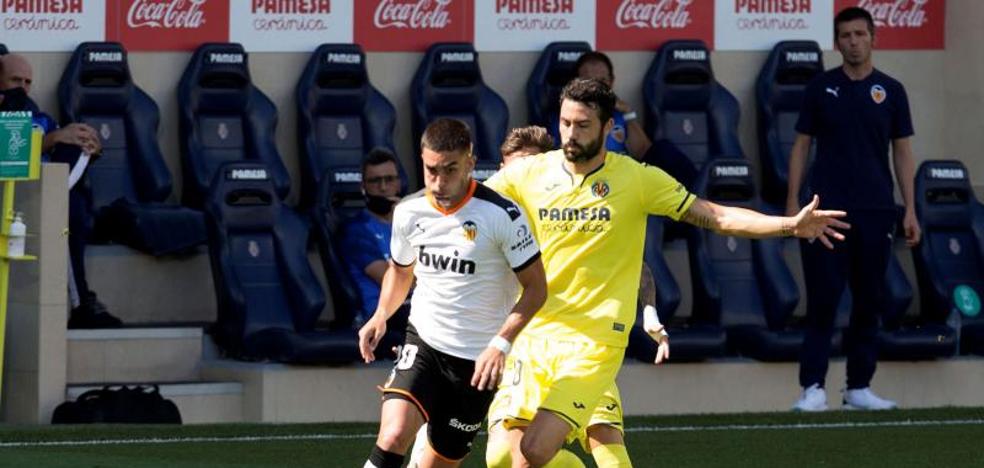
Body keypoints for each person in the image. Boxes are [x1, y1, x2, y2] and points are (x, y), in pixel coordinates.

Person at [483, 78, 849, 467]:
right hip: (533, 335)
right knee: (506, 458)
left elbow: (716, 215)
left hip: (592, 344)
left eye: (583, 124)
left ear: (610, 128)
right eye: (565, 123)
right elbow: (474, 205)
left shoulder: (637, 179)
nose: (570, 134)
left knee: (536, 451)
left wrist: (789, 225)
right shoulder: (530, 173)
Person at [358, 118, 547, 468]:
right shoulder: (409, 212)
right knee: (394, 434)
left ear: (471, 164)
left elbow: (537, 290)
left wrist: (501, 344)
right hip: (424, 343)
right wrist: (381, 314)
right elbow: (401, 274)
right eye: (431, 170)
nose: (439, 182)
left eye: (450, 170)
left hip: (478, 364)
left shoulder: (502, 215)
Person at [787, 6, 920, 412]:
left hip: (878, 209)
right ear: (836, 42)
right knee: (824, 299)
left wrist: (910, 208)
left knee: (869, 300)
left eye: (861, 34)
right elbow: (802, 145)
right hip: (827, 212)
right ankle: (813, 388)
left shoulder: (892, 90)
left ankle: (858, 386)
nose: (854, 41)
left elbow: (902, 151)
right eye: (846, 35)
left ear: (873, 38)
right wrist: (793, 204)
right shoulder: (820, 87)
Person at [0, 53, 120, 329]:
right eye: (15, 80)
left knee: (69, 205)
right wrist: (52, 139)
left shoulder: (40, 117)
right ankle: (82, 304)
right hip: (10, 191)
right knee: (66, 208)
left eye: (28, 82)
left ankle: (53, 196)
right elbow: (8, 152)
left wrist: (89, 144)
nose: (23, 88)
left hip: (42, 194)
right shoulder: (10, 109)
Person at [575, 51, 698, 191]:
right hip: (591, 181)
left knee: (664, 150)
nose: (596, 87)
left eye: (602, 81)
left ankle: (702, 197)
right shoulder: (567, 116)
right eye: (589, 81)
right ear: (576, 82)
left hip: (625, 179)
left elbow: (643, 150)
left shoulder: (619, 114)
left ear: (611, 82)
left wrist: (627, 113)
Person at [338, 148, 405, 327]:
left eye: (389, 180)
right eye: (375, 181)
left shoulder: (412, 225)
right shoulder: (357, 231)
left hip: (415, 307)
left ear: (398, 184)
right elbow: (395, 281)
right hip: (382, 316)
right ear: (363, 187)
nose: (383, 188)